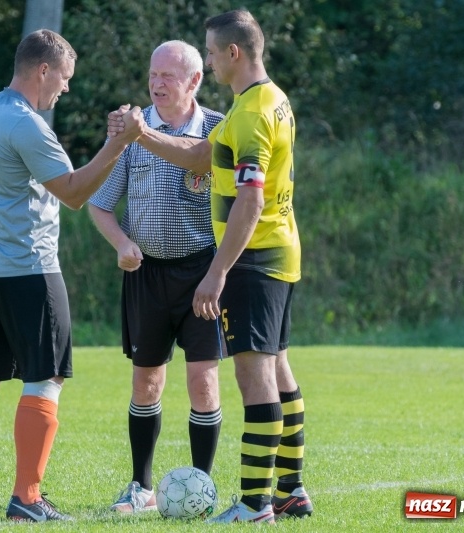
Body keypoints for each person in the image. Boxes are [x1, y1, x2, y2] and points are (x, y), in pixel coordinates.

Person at [109, 9, 312, 524]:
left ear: (233, 54)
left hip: (253, 261)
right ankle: (290, 490)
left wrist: (219, 271)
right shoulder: (272, 100)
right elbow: (202, 157)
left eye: (214, 53)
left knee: (254, 377)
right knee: (280, 368)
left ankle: (254, 503)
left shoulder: (247, 117)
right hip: (281, 252)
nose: (213, 63)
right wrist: (142, 136)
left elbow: (249, 200)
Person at [0, 29, 141, 522]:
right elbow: (74, 193)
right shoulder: (27, 124)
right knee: (45, 379)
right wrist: (119, 144)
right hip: (27, 269)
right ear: (43, 70)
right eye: (65, 78)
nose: (66, 89)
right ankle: (27, 499)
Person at [88, 40, 225, 514]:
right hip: (147, 275)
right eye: (152, 75)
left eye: (168, 75)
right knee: (146, 382)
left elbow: (227, 191)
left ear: (194, 81)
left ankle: (202, 489)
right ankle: (140, 488)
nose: (158, 84)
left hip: (203, 273)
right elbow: (100, 204)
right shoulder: (130, 132)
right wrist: (123, 244)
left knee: (203, 383)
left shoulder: (218, 130)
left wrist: (222, 270)